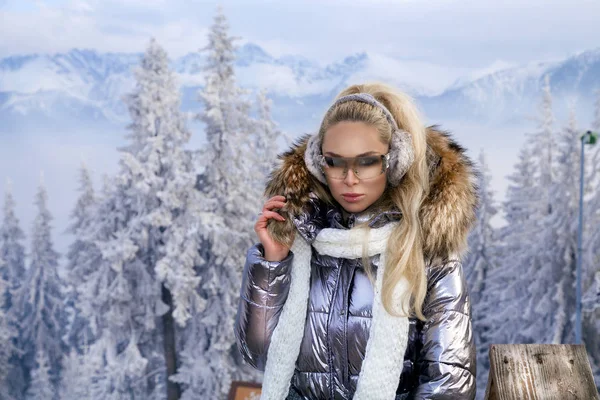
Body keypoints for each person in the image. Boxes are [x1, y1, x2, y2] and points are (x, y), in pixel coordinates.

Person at [234, 82, 479, 399]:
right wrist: (273, 262)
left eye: (367, 161)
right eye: (335, 161)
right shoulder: (302, 239)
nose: (350, 179)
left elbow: (448, 385)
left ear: (395, 161)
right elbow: (260, 356)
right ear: (318, 163)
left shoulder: (428, 254)